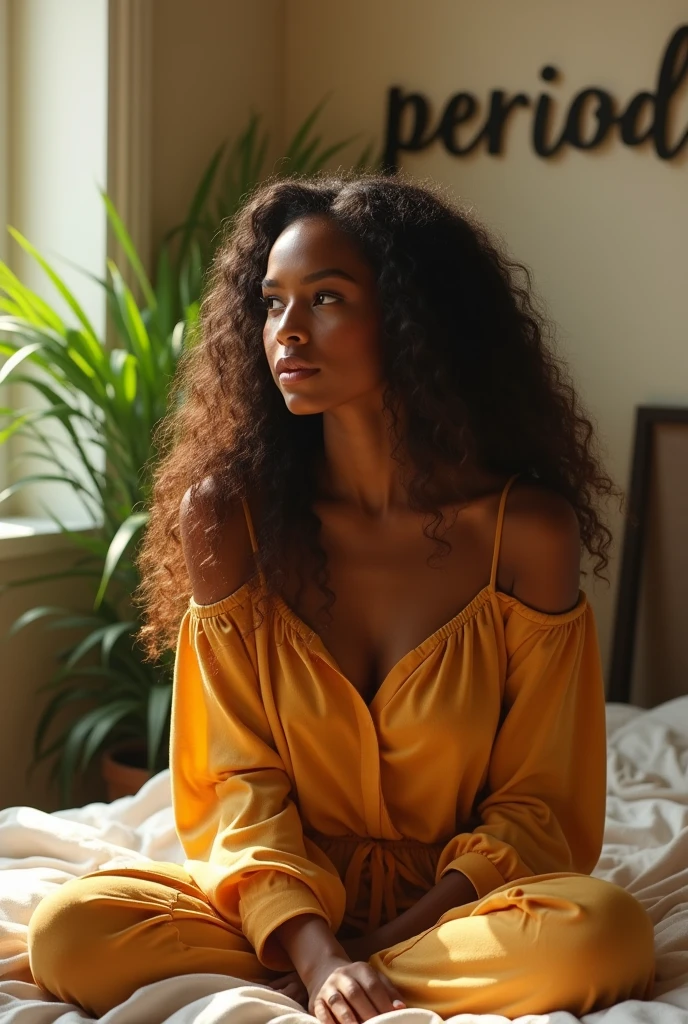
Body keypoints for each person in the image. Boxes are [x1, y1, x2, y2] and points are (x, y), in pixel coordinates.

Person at [27, 172, 655, 1021]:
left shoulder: (523, 531)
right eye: (272, 301)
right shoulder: (228, 517)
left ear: (411, 318)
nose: (286, 332)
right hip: (278, 905)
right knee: (70, 929)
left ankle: (366, 983)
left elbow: (539, 806)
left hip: (456, 908)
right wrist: (315, 950)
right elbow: (235, 782)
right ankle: (339, 982)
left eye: (325, 299)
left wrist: (367, 953)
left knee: (604, 934)